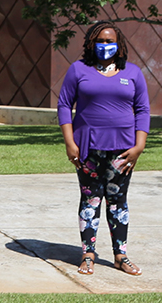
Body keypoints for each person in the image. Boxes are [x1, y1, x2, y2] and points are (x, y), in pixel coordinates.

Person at [57, 21, 149, 277]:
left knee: (118, 202)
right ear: (90, 43)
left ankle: (121, 256)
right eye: (100, 40)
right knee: (91, 199)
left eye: (110, 41)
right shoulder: (78, 70)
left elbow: (142, 110)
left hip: (123, 151)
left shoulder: (132, 73)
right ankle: (88, 254)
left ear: (119, 45)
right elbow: (64, 105)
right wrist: (69, 142)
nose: (105, 45)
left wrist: (139, 145)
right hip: (87, 149)